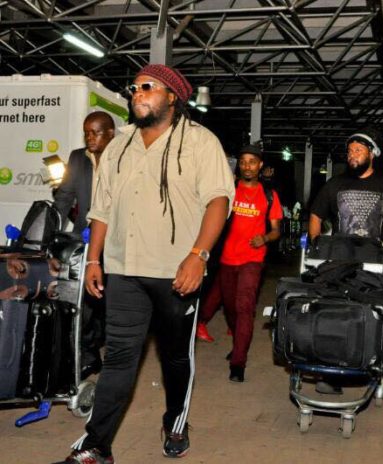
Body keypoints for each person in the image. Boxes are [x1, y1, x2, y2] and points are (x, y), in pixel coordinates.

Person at [55, 64, 235, 464]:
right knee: (119, 357)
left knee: (175, 357)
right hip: (124, 268)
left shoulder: (200, 141)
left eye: (147, 87)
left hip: (176, 272)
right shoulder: (119, 145)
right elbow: (102, 209)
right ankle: (97, 445)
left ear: (172, 96)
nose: (137, 93)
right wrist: (95, 258)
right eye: (134, 88)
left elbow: (218, 201)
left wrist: (199, 255)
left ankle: (175, 422)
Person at [309, 128, 383, 394]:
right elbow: (316, 215)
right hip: (340, 262)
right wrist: (316, 243)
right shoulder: (334, 185)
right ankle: (331, 371)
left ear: (372, 154)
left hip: (374, 261)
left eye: (358, 150)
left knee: (374, 312)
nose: (352, 155)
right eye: (350, 151)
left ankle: (373, 358)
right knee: (334, 312)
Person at [196, 144, 282, 382]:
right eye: (243, 162)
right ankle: (238, 343)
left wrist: (265, 238)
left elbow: (276, 230)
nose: (247, 166)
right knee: (232, 309)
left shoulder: (269, 195)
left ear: (260, 165)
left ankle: (238, 363)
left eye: (252, 162)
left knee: (245, 307)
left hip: (253, 259)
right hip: (226, 259)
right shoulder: (228, 191)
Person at [53, 111, 115, 380]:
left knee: (110, 300)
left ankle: (110, 353)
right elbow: (64, 198)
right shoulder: (78, 158)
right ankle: (88, 356)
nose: (90, 137)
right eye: (86, 133)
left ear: (110, 133)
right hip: (83, 239)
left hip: (116, 240)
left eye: (96, 132)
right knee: (83, 300)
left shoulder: (123, 157)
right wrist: (49, 233)